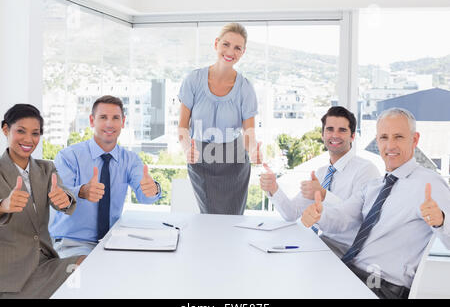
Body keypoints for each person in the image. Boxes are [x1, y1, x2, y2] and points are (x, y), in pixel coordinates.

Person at [301, 108, 450, 299]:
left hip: (381, 287)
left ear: (414, 139)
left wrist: (441, 221)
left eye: (398, 137)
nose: (390, 145)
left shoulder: (428, 184)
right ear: (377, 141)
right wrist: (320, 214)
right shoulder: (374, 186)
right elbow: (343, 218)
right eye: (384, 137)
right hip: (352, 274)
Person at [49, 95, 162, 257]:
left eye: (115, 118)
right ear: (92, 120)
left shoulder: (130, 160)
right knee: (84, 275)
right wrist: (82, 191)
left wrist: (153, 189)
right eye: (103, 117)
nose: (109, 123)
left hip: (113, 242)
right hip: (72, 241)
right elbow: (60, 197)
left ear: (123, 122)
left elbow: (145, 196)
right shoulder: (69, 156)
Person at [260, 106, 380, 257]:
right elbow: (291, 213)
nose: (335, 135)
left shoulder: (366, 170)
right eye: (330, 129)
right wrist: (273, 188)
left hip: (347, 251)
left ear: (352, 136)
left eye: (342, 130)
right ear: (323, 135)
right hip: (320, 243)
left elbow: (355, 220)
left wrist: (324, 195)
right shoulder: (321, 173)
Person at [0, 104, 84, 299]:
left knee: (86, 264)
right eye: (21, 131)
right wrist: (4, 206)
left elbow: (61, 195)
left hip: (46, 263)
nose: (29, 139)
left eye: (35, 133)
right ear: (6, 129)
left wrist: (63, 199)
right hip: (10, 272)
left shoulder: (47, 169)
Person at [178, 22, 262, 215]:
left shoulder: (245, 88)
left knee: (233, 220)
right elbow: (183, 126)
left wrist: (253, 151)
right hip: (200, 157)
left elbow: (249, 132)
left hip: (235, 160)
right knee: (209, 217)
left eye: (237, 48)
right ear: (216, 43)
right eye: (226, 44)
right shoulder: (193, 80)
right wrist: (186, 149)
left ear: (243, 52)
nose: (230, 51)